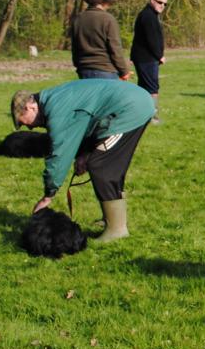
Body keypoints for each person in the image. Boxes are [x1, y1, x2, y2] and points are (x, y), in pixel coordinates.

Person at [9, 79, 155, 242]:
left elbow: (59, 153)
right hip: (131, 103)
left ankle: (117, 229)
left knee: (102, 167)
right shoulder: (52, 100)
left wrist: (48, 196)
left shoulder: (56, 109)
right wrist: (84, 154)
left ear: (30, 107)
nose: (29, 128)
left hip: (130, 109)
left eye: (24, 121)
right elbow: (84, 125)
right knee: (106, 165)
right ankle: (110, 220)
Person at [71, 0, 131, 80]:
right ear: (103, 2)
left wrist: (78, 64)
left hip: (84, 69)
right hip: (105, 70)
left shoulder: (77, 19)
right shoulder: (108, 19)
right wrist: (124, 71)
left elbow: (75, 47)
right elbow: (115, 48)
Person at [130, 0, 168, 123]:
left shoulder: (150, 15)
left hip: (144, 58)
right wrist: (159, 56)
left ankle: (140, 115)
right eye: (160, 2)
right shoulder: (148, 16)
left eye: (164, 4)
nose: (162, 5)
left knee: (144, 86)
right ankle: (152, 117)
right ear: (152, 0)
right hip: (146, 58)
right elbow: (151, 39)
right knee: (152, 87)